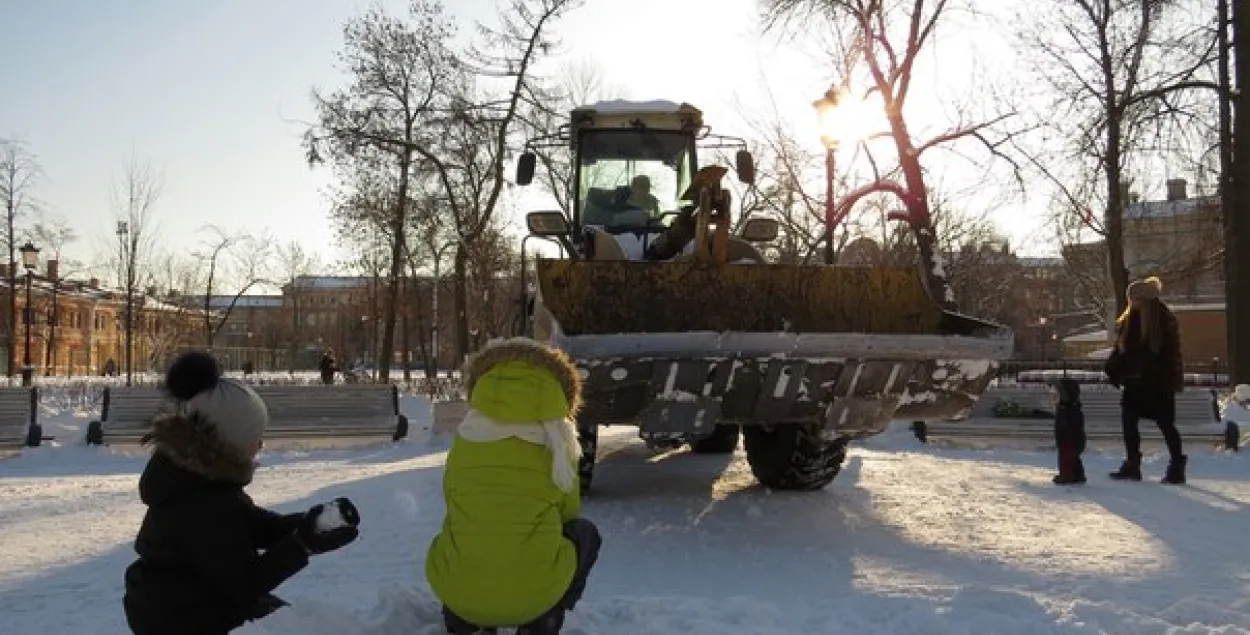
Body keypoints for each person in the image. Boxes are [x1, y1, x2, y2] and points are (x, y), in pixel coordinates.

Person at [122, 350, 361, 635]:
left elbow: (248, 524)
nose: (260, 445)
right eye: (254, 437)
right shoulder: (204, 503)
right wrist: (301, 545)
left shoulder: (195, 478)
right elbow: (245, 583)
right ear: (226, 443)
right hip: (179, 619)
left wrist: (305, 524)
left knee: (283, 618)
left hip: (176, 600)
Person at [425, 338, 602, 635]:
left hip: (461, 596)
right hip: (535, 597)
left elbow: (452, 496)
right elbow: (568, 513)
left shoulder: (468, 434)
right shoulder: (559, 440)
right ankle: (546, 616)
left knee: (462, 526)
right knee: (585, 533)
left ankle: (464, 616)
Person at [1105, 276, 1187, 484]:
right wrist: (1114, 364)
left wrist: (1128, 356)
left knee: (1166, 424)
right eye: (1130, 299)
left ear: (1145, 298)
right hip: (1135, 382)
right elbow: (1122, 348)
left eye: (1135, 298)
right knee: (1129, 421)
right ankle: (1132, 463)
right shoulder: (1130, 319)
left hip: (1157, 382)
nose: (1132, 302)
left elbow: (1159, 353)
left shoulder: (1161, 319)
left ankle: (1177, 465)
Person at [1051, 378, 1087, 485]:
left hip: (1070, 440)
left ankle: (1067, 475)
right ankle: (1077, 474)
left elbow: (1073, 427)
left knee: (1067, 457)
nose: (1054, 395)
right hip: (1066, 439)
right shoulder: (1065, 408)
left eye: (1057, 393)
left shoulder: (1070, 410)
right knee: (1072, 458)